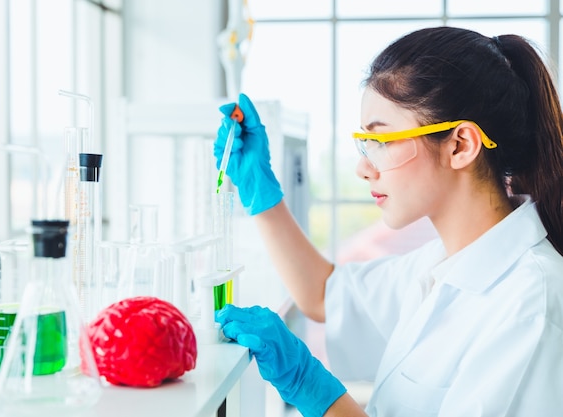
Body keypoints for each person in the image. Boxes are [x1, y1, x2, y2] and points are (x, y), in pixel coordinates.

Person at [212, 26, 563, 417]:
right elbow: (324, 294)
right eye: (365, 143)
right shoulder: (440, 264)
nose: (364, 168)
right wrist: (263, 196)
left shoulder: (532, 306)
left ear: (461, 145)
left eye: (383, 140)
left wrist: (309, 386)